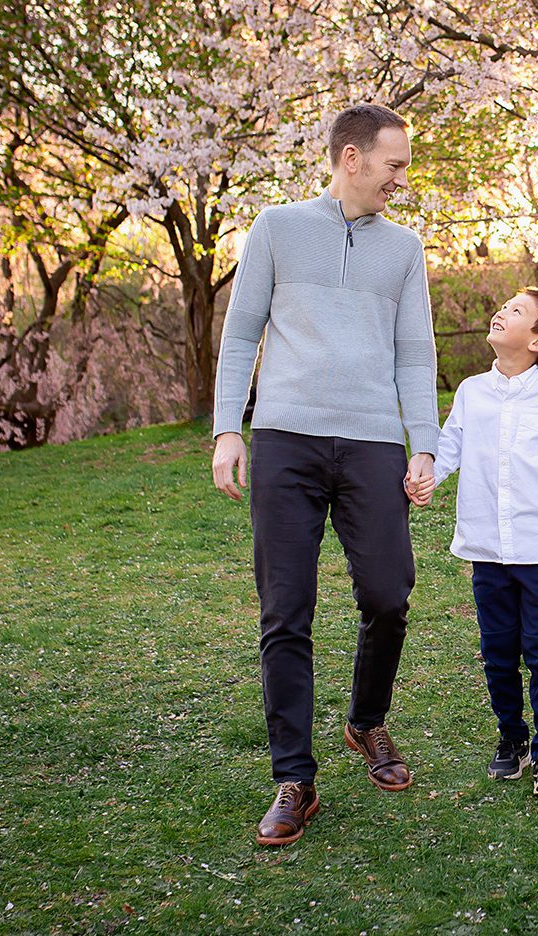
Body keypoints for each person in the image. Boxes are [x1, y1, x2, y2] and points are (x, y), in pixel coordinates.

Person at [210, 104, 439, 845]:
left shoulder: (404, 250)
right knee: (286, 608)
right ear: (350, 158)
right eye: (393, 165)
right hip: (286, 438)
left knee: (388, 591)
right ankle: (294, 779)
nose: (401, 180)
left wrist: (423, 445)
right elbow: (242, 330)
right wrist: (227, 430)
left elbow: (415, 353)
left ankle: (366, 722)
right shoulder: (276, 228)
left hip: (371, 441)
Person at [408, 288, 538, 796]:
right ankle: (511, 739)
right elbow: (450, 443)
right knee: (498, 649)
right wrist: (430, 474)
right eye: (503, 306)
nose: (501, 311)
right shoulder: (471, 391)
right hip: (485, 547)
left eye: (516, 311)